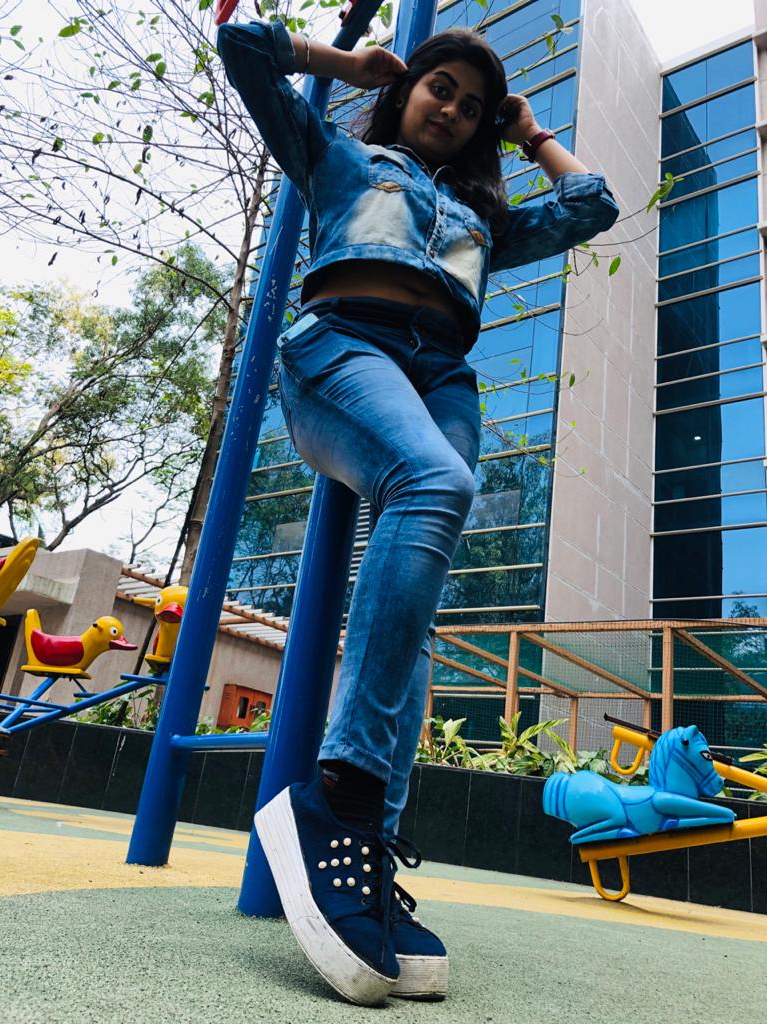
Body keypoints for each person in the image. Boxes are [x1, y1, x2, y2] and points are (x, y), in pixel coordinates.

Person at [217, 16, 619, 1007]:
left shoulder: (485, 217)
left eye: (472, 106)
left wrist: (529, 133)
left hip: (442, 379)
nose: (454, 110)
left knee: (419, 615)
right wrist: (346, 65)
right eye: (442, 88)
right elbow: (246, 49)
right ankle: (339, 796)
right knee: (436, 483)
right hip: (344, 347)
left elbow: (593, 203)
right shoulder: (340, 158)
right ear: (406, 91)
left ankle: (369, 840)